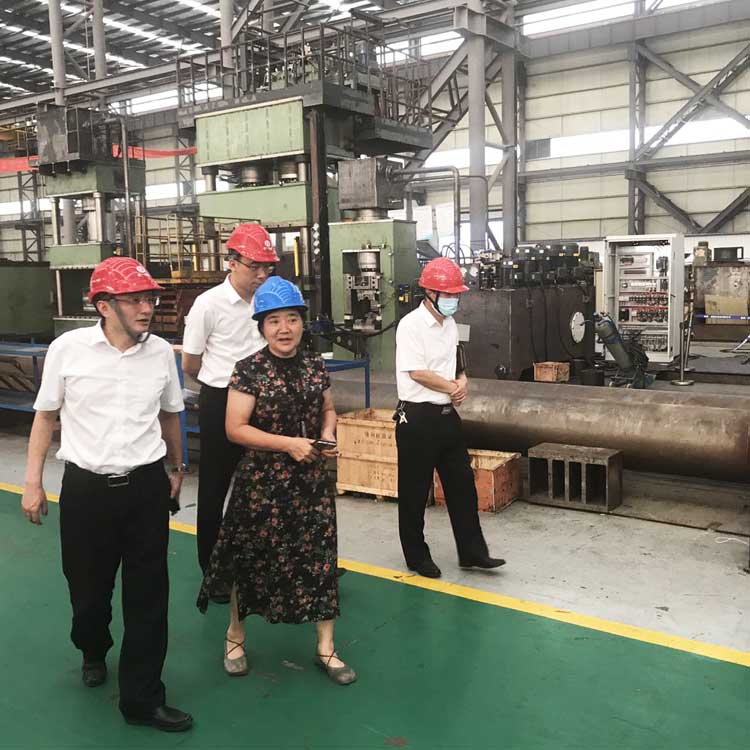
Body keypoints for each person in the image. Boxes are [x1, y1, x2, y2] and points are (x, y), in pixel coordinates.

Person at [20, 257, 193, 732]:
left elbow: (171, 414)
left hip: (145, 487)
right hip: (86, 491)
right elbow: (45, 416)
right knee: (88, 593)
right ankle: (92, 647)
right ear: (103, 305)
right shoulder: (67, 350)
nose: (147, 308)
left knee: (149, 596)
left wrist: (177, 469)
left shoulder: (160, 353)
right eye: (135, 300)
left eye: (149, 298)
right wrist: (33, 482)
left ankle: (142, 698)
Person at [197, 276, 355, 685]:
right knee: (250, 558)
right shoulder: (248, 370)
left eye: (292, 319)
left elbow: (328, 409)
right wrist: (288, 444)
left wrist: (328, 433)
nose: (284, 329)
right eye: (273, 321)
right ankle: (235, 637)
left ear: (302, 322)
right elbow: (235, 428)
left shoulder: (315, 365)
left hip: (310, 482)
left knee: (320, 559)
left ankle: (326, 647)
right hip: (262, 484)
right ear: (261, 327)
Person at [182, 222, 279, 601]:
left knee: (267, 486)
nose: (262, 274)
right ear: (232, 262)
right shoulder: (208, 305)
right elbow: (191, 363)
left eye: (267, 267)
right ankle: (213, 573)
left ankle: (269, 564)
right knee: (215, 488)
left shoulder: (268, 299)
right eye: (255, 266)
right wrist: (224, 385)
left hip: (264, 401)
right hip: (221, 400)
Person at [394, 257, 506, 579]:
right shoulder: (411, 325)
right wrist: (451, 388)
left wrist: (462, 382)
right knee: (414, 493)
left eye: (456, 294)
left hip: (446, 416)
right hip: (417, 419)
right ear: (429, 292)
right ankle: (416, 556)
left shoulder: (451, 324)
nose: (453, 300)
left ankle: (473, 552)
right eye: (448, 294)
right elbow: (417, 372)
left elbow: (457, 363)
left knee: (462, 486)